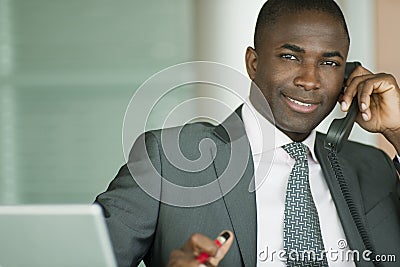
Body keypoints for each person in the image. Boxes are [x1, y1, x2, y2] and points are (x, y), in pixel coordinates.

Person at [96, 0, 400, 266]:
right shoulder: (168, 159)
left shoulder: (373, 166)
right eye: (290, 57)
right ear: (253, 63)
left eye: (329, 63)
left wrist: (398, 130)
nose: (310, 80)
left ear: (347, 76)